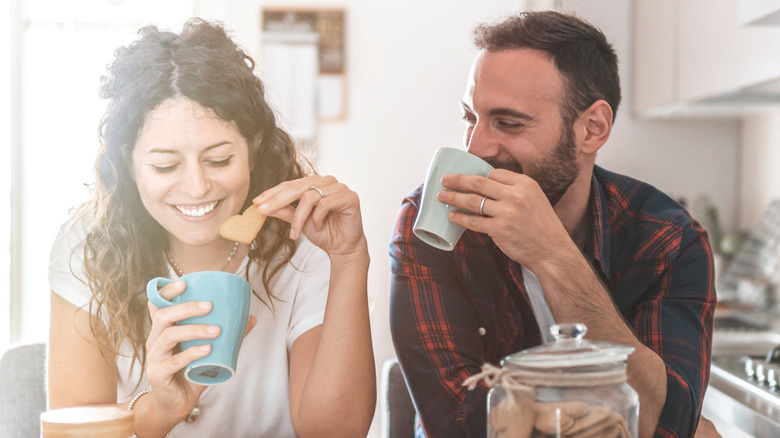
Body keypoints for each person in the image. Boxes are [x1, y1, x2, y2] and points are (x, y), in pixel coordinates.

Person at [389, 10, 715, 438]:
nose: (476, 146)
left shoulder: (668, 241)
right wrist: (594, 418)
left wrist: (554, 256)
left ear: (592, 129)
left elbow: (665, 422)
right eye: (471, 117)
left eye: (507, 123)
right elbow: (459, 425)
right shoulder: (433, 221)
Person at [47, 19, 375, 437]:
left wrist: (348, 258)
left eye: (219, 160)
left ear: (253, 148)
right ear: (129, 164)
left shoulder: (305, 239)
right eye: (165, 165)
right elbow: (70, 432)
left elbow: (337, 432)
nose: (197, 187)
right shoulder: (87, 244)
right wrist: (161, 408)